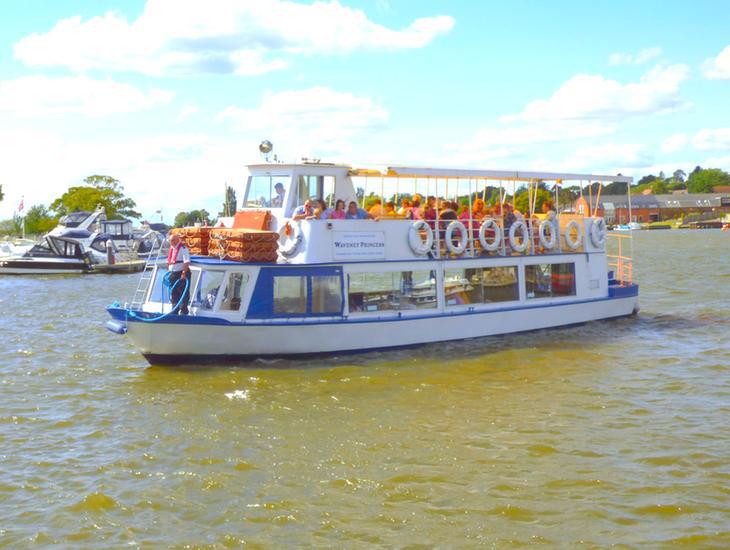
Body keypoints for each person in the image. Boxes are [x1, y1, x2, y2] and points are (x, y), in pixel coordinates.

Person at [167, 233, 191, 315]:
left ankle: (184, 311)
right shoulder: (172, 248)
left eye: (173, 240)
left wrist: (184, 273)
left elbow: (186, 261)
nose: (172, 242)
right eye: (170, 240)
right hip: (173, 274)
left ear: (178, 240)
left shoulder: (183, 248)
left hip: (181, 273)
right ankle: (174, 311)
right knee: (174, 292)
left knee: (183, 292)